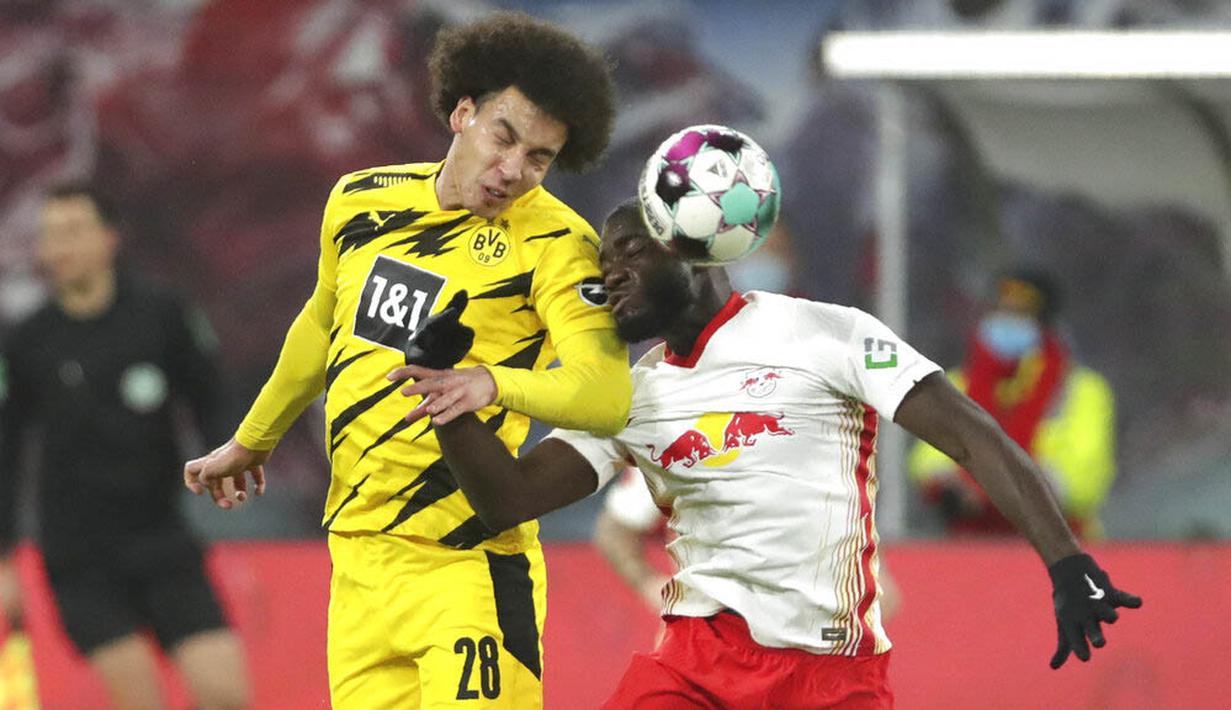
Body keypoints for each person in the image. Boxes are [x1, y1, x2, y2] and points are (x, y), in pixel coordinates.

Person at [391, 199, 1142, 709]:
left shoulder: (828, 332)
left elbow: (969, 433)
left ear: (692, 250)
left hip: (832, 677)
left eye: (626, 252)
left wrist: (1065, 562)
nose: (605, 275)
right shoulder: (624, 392)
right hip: (694, 665)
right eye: (599, 266)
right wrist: (449, 403)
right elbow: (508, 501)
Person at [182, 12, 629, 709]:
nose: (513, 170)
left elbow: (605, 395)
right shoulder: (361, 199)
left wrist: (491, 383)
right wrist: (253, 438)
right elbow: (320, 323)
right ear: (462, 111)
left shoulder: (557, 246)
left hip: (466, 565)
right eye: (503, 137)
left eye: (539, 158)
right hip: (357, 560)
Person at [0, 183, 250, 710]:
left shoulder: (162, 315)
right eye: (49, 236)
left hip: (162, 539)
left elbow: (211, 397)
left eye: (72, 232)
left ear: (109, 238)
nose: (58, 248)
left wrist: (225, 457)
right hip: (79, 557)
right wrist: (3, 559)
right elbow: (6, 447)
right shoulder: (27, 341)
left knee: (226, 695)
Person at [909, 270, 1117, 538]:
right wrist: (955, 487)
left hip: (1061, 545)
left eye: (1019, 315)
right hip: (972, 545)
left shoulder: (1082, 390)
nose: (1005, 322)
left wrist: (1007, 488)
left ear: (1044, 325)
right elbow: (927, 463)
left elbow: (1084, 479)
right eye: (999, 312)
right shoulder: (956, 385)